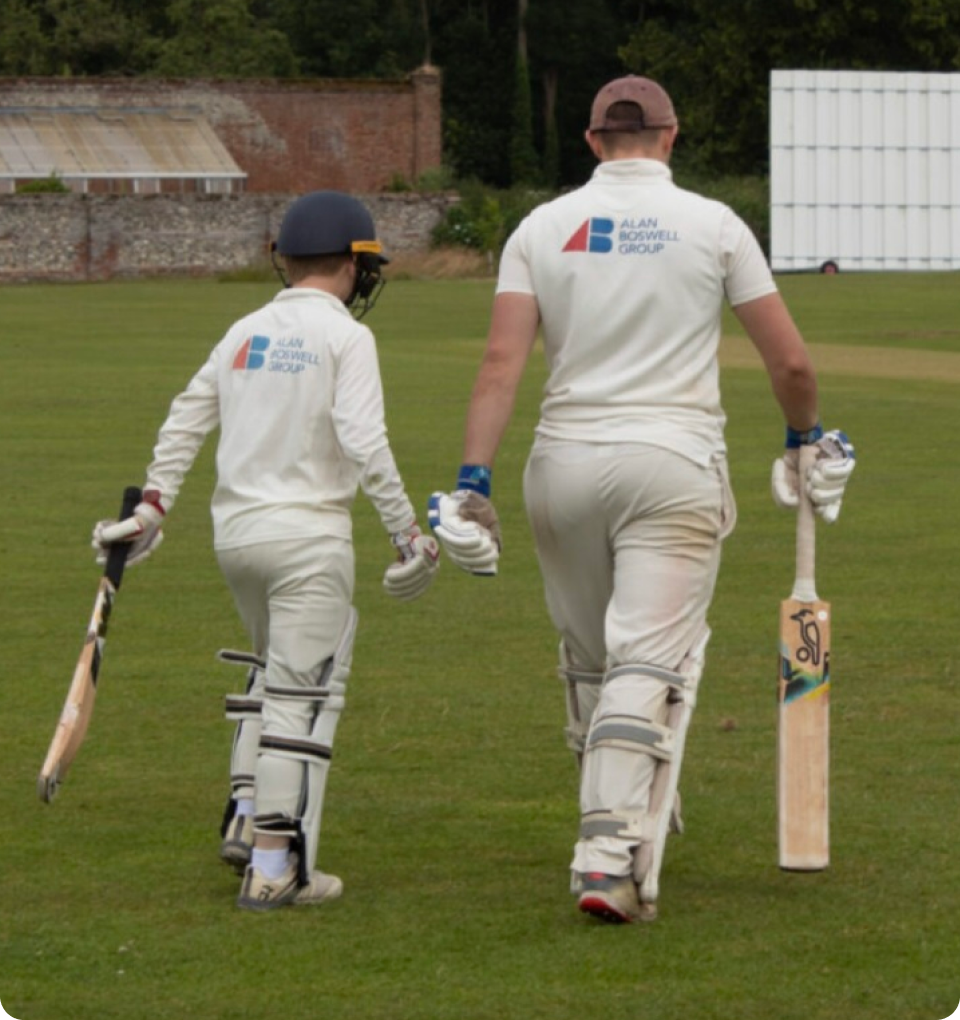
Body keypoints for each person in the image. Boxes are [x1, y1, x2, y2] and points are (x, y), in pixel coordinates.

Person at [428, 76, 855, 924]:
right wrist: (805, 439)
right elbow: (793, 366)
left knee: (594, 661)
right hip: (671, 462)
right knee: (645, 662)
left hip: (561, 468)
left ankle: (635, 793)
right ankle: (605, 858)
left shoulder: (540, 227)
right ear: (671, 136)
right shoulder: (715, 224)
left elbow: (501, 367)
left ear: (592, 141)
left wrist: (472, 483)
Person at [92, 191, 442, 912]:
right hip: (309, 539)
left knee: (269, 677)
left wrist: (156, 504)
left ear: (286, 260)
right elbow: (364, 441)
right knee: (297, 695)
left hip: (238, 540)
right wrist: (408, 532)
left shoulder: (245, 329)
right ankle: (277, 868)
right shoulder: (347, 337)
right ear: (353, 263)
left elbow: (187, 416)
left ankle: (249, 818)